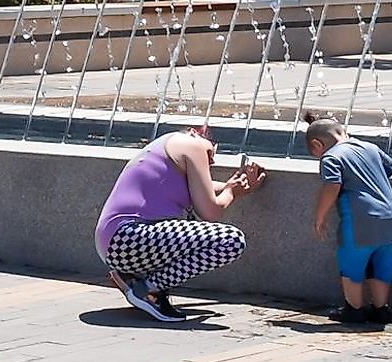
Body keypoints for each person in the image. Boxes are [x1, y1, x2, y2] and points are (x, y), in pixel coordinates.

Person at [96, 120, 267, 322]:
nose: (211, 162)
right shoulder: (190, 144)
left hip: (118, 243)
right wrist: (231, 192)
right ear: (195, 132)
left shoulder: (167, 153)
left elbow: (205, 190)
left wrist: (233, 187)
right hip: (127, 237)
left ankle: (134, 278)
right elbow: (210, 212)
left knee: (191, 220)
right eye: (212, 152)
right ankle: (146, 289)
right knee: (231, 240)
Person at [306, 114, 392, 325]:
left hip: (359, 219)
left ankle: (354, 309)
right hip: (389, 216)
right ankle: (381, 309)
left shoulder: (331, 157)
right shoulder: (370, 148)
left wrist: (319, 216)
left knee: (352, 264)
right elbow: (390, 168)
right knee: (380, 265)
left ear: (317, 144)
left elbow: (332, 186)